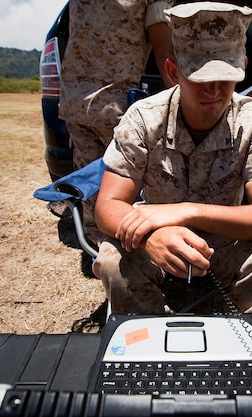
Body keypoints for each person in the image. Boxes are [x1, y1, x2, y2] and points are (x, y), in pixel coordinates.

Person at [93, 1, 252, 326]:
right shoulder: (143, 118)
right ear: (174, 72)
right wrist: (151, 237)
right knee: (111, 260)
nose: (214, 90)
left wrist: (187, 210)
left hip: (226, 248)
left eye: (226, 77)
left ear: (243, 67)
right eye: (199, 77)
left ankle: (241, 347)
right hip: (159, 245)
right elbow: (107, 205)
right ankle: (144, 342)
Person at [59, 0, 175, 243]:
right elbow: (164, 50)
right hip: (114, 105)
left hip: (74, 99)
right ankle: (131, 252)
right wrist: (182, 101)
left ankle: (99, 249)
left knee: (91, 183)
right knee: (135, 184)